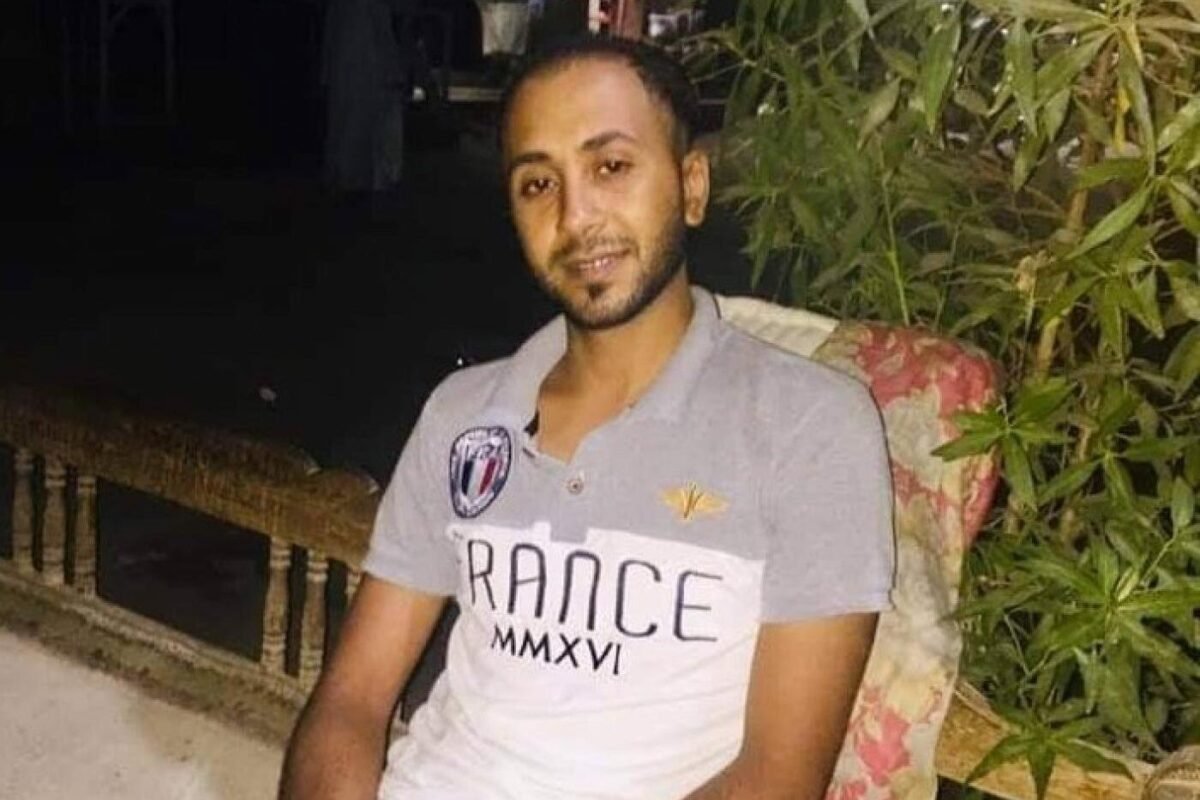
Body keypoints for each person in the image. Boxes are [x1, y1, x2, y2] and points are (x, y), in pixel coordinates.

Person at [279, 35, 895, 800]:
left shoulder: (808, 426)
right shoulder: (465, 416)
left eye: (611, 166)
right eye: (538, 183)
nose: (575, 216)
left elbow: (777, 776)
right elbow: (352, 698)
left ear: (691, 186)